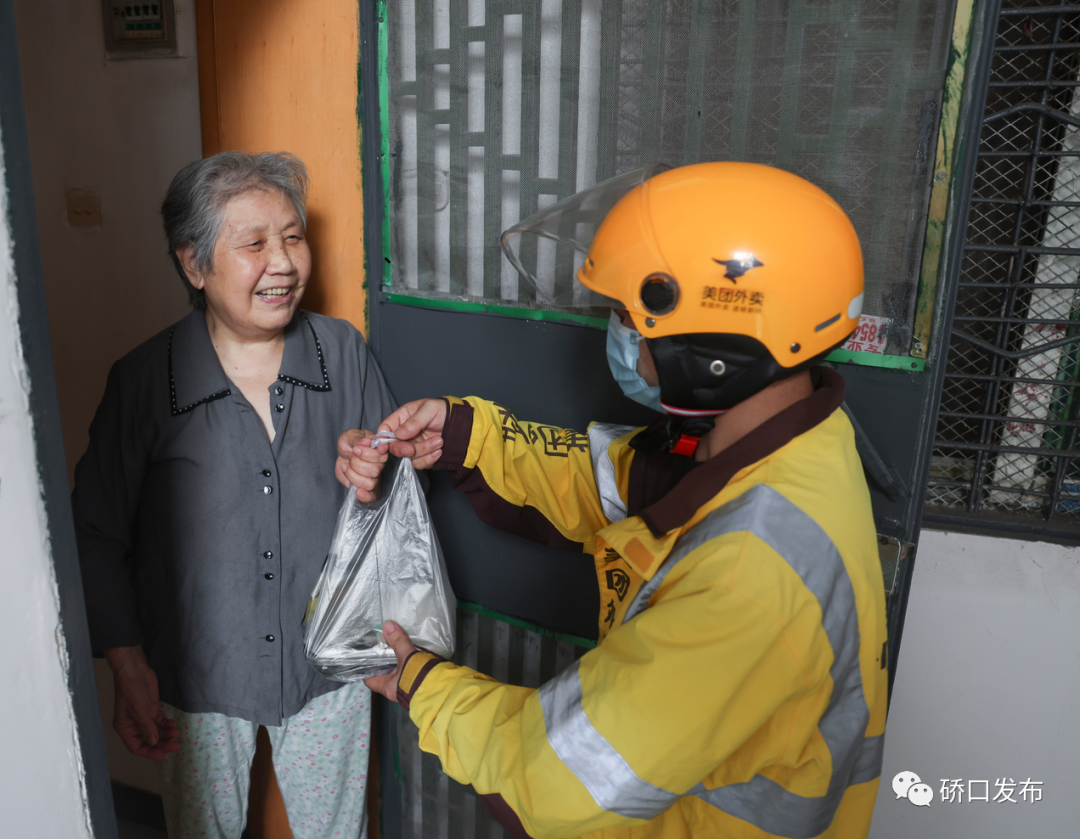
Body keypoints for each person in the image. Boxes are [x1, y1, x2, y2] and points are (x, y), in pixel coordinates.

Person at [338, 162, 888, 838]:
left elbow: (554, 777)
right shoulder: (787, 446)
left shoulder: (749, 579)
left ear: (713, 349)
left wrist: (422, 684)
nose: (620, 332)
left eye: (630, 316)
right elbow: (610, 482)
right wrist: (462, 434)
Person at [72, 152, 425, 839]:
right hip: (197, 676)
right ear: (193, 264)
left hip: (329, 671)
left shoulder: (341, 352)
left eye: (293, 237)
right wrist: (127, 664)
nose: (283, 263)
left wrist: (376, 469)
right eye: (255, 243)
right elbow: (96, 532)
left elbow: (400, 501)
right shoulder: (143, 381)